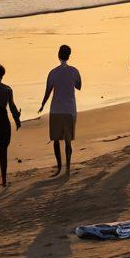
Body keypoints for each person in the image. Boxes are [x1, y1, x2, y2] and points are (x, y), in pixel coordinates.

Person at [39, 45, 82, 174]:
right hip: (69, 109)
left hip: (56, 109)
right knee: (68, 140)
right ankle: (68, 167)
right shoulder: (74, 71)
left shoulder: (53, 72)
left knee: (56, 139)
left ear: (58, 55)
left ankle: (59, 167)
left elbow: (48, 91)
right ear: (69, 56)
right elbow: (79, 86)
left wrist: (42, 104)